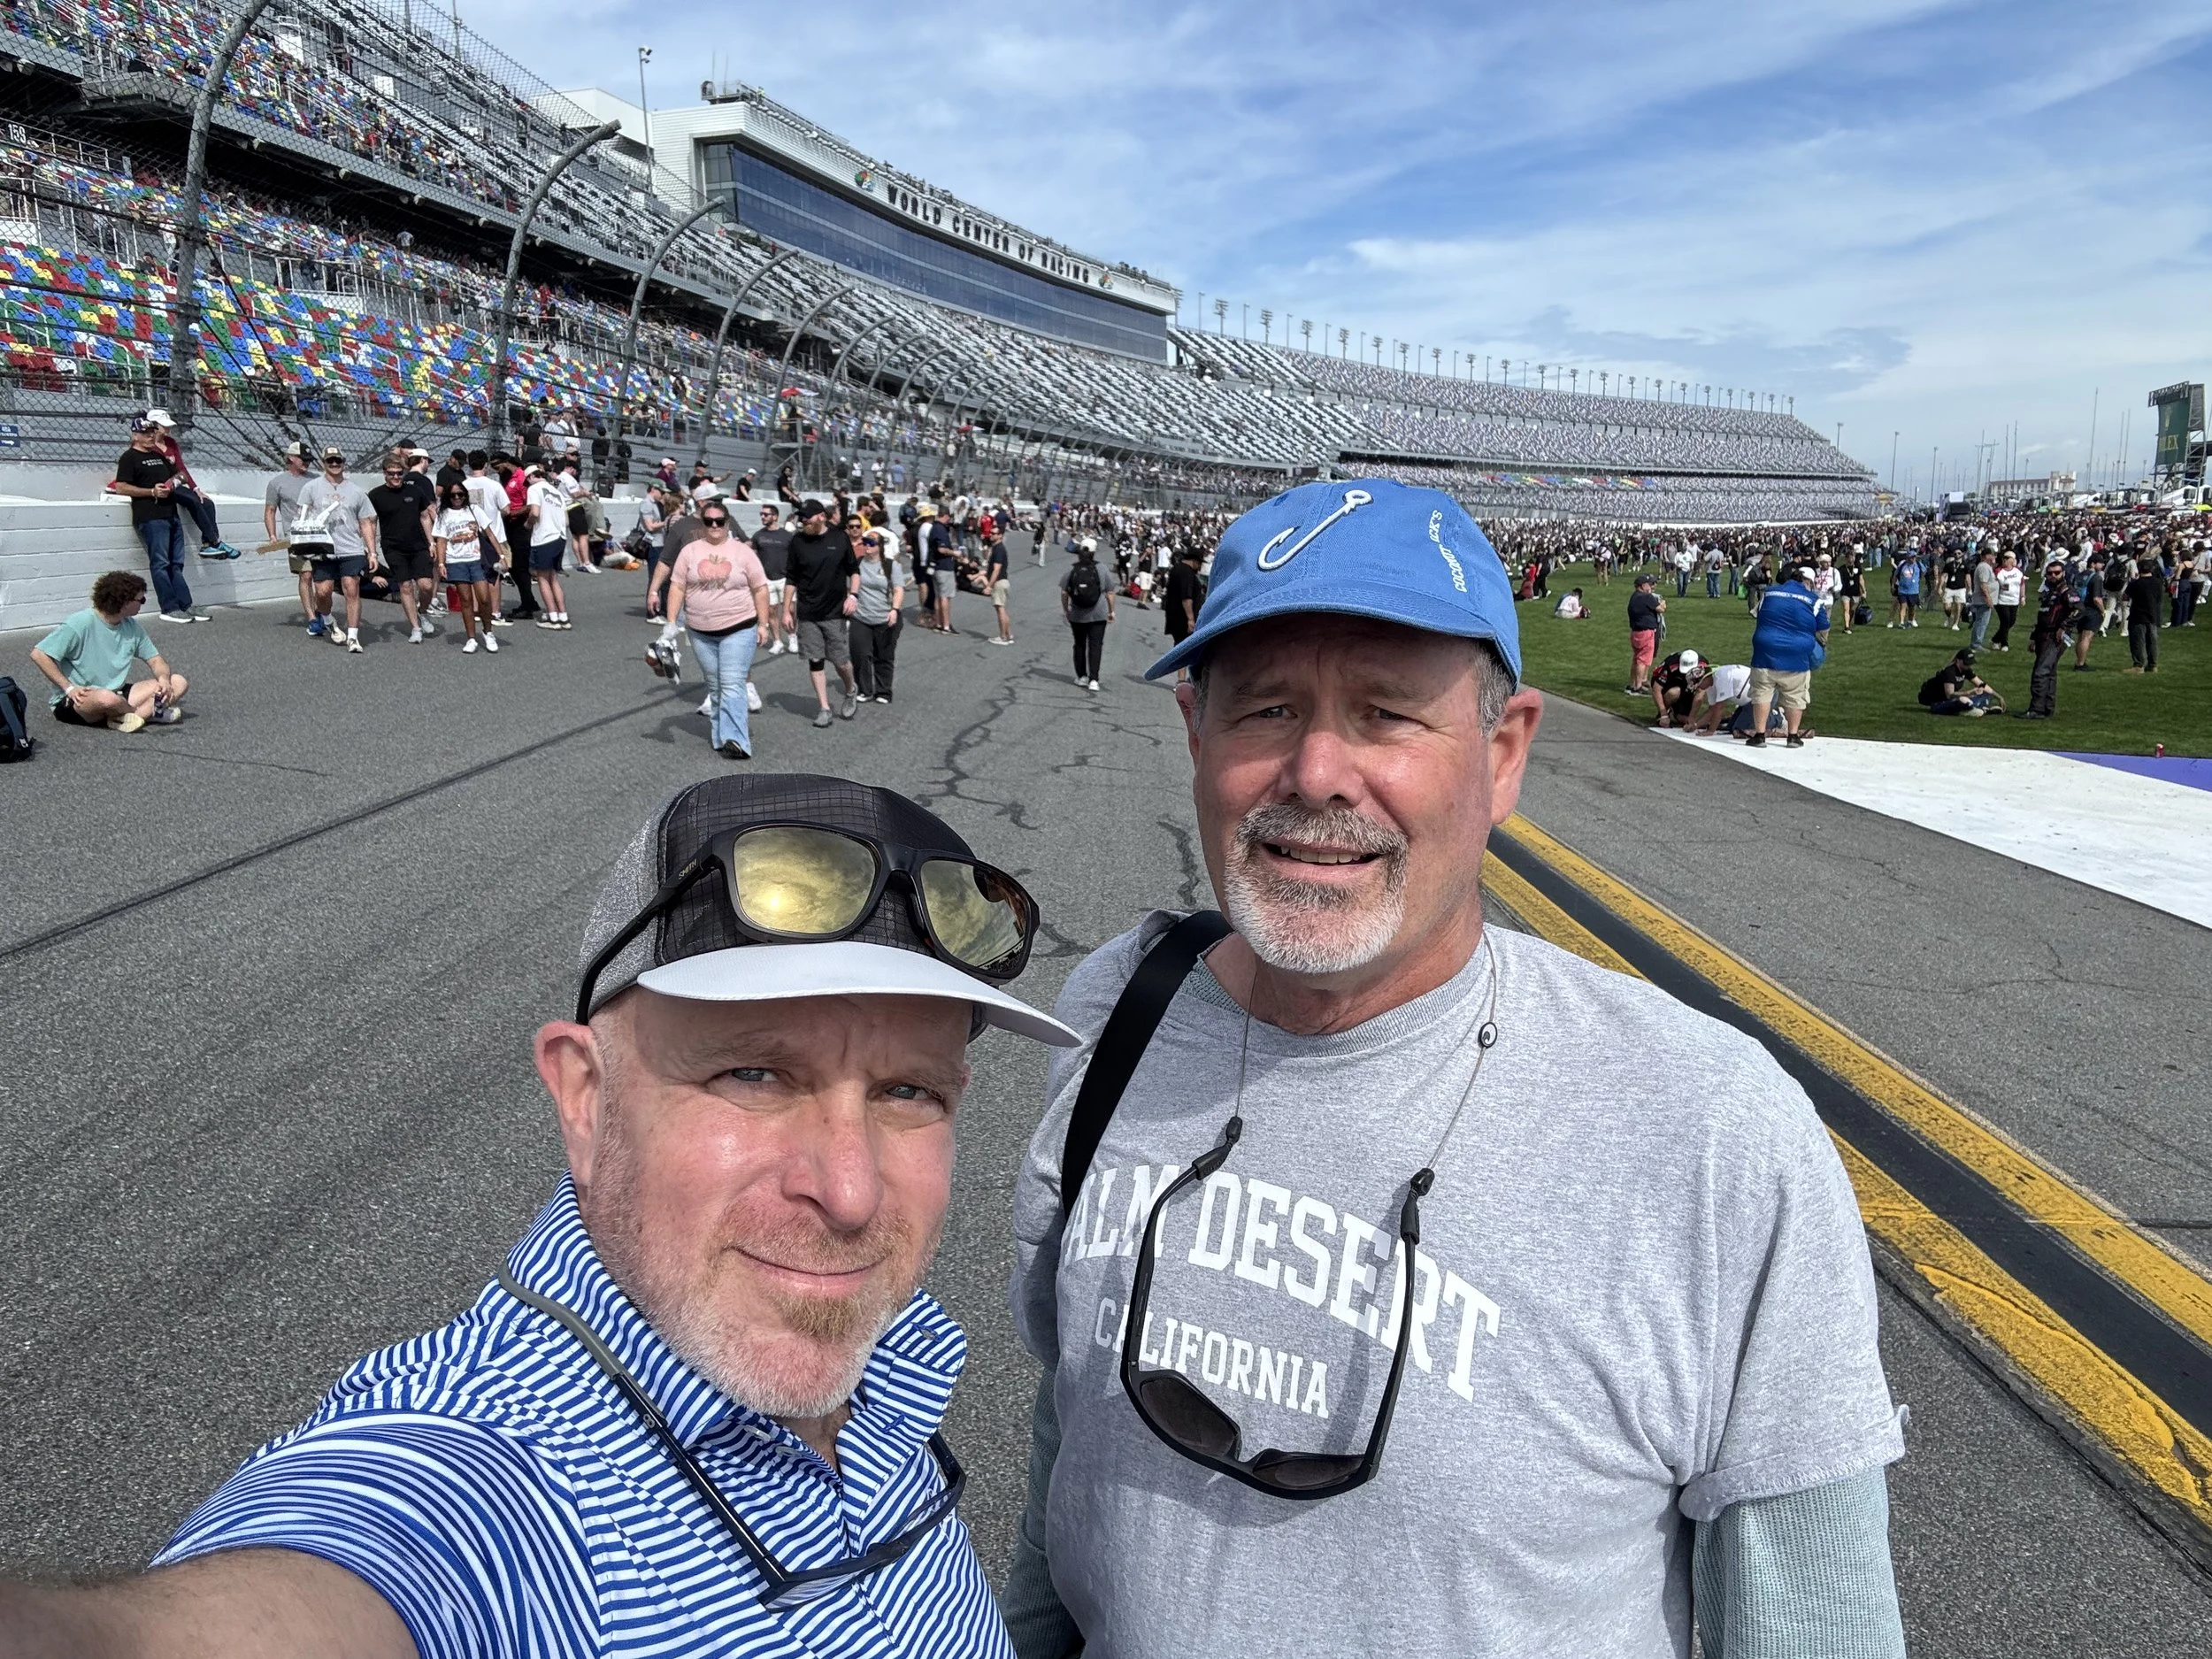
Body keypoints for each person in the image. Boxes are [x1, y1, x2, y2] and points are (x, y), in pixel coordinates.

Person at [1002, 478, 1906, 1659]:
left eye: (1385, 714)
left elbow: (1815, 1629)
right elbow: (1070, 1446)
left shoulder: (1713, 1133)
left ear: (1505, 751)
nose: (1317, 770)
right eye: (1265, 708)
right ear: (1195, 735)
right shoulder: (1120, 1008)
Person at [1, 774, 1079, 1657]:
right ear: (585, 1096)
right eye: (754, 1075)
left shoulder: (889, 1355)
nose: (848, 1194)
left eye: (908, 1094)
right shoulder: (498, 1478)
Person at [664, 504, 771, 760]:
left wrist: (764, 624)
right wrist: (670, 622)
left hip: (739, 626)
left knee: (733, 683)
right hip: (700, 630)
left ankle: (737, 740)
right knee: (715, 686)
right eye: (708, 521)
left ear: (728, 523)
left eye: (719, 521)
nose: (714, 526)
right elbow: (678, 586)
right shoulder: (690, 551)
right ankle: (720, 735)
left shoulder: (742, 552)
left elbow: (760, 588)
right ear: (701, 522)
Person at [28, 571, 188, 732]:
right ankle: (148, 713)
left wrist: (164, 679)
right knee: (107, 698)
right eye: (141, 600)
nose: (143, 603)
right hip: (81, 698)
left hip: (116, 693)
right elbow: (39, 654)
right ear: (124, 603)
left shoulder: (131, 626)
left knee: (178, 682)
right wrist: (69, 688)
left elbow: (155, 660)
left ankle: (131, 717)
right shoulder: (80, 623)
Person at [110, 414, 204, 624]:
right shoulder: (129, 457)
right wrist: (151, 492)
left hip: (170, 514)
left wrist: (171, 484)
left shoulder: (159, 456)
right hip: (150, 516)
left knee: (176, 563)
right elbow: (121, 486)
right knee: (161, 562)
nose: (151, 436)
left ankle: (185, 604)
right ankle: (169, 607)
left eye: (152, 432)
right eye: (145, 433)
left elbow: (181, 475)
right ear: (135, 435)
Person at [782, 499, 862, 728]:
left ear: (821, 517)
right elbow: (792, 577)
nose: (803, 521)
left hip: (834, 611)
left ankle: (850, 689)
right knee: (815, 660)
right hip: (807, 612)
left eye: (807, 517)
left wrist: (853, 595)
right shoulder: (797, 541)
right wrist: (787, 610)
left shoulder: (839, 538)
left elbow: (853, 571)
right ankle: (824, 709)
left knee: (840, 660)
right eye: (801, 517)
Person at [297, 448, 380, 654]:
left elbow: (367, 523)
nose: (334, 464)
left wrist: (372, 552)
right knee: (323, 592)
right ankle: (328, 619)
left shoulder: (356, 491)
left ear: (344, 462)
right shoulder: (311, 487)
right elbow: (302, 518)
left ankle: (353, 637)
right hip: (322, 549)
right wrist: (301, 544)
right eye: (330, 461)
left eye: (338, 460)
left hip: (351, 548)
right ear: (324, 463)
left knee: (351, 588)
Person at [141, 408, 244, 561]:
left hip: (177, 482)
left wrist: (195, 488)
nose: (168, 428)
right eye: (164, 426)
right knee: (193, 501)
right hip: (162, 485)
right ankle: (215, 542)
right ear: (154, 426)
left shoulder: (171, 443)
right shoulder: (149, 446)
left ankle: (208, 543)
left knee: (206, 502)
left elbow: (181, 467)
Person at [1746, 565, 1825, 749]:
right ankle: (1793, 736)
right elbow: (1823, 627)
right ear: (1807, 582)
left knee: (1761, 693)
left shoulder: (1769, 593)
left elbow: (1759, 614)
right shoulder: (1814, 600)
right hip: (1797, 654)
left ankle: (1759, 735)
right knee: (1795, 695)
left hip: (1765, 651)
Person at [369, 454, 441, 644]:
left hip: (419, 546)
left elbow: (425, 517)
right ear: (384, 473)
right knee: (406, 586)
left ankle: (423, 612)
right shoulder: (376, 495)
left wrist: (432, 542)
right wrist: (371, 550)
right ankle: (416, 627)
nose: (396, 477)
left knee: (425, 585)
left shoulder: (414, 491)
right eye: (391, 474)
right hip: (393, 548)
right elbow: (371, 522)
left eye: (399, 473)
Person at [433, 480, 501, 655]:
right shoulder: (444, 515)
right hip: (456, 561)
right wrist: (441, 563)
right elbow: (441, 541)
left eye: (460, 494)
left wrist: (501, 556)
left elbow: (490, 534)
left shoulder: (474, 510)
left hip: (476, 559)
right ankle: (471, 638)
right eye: (453, 495)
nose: (457, 498)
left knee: (484, 598)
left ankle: (488, 632)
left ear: (465, 496)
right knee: (466, 600)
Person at [265, 441, 320, 634]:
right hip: (295, 537)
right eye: (303, 459)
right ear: (291, 458)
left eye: (309, 459)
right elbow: (270, 510)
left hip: (318, 534)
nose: (307, 463)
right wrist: (272, 536)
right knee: (306, 575)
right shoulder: (277, 483)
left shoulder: (317, 480)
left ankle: (321, 610)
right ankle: (312, 617)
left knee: (322, 578)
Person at [852, 522, 908, 703]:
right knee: (860, 653)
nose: (867, 546)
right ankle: (865, 689)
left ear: (880, 547)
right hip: (861, 616)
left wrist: (894, 610)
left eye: (871, 543)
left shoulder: (891, 566)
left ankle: (883, 691)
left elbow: (899, 590)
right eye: (865, 542)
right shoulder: (858, 564)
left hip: (884, 617)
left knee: (883, 656)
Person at [2018, 559, 2073, 720]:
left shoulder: (2067, 591)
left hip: (2055, 636)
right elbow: (2043, 616)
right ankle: (2047, 707)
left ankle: (2037, 709)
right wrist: (2034, 638)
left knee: (2041, 672)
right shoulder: (2049, 591)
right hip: (2043, 635)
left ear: (2063, 573)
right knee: (2049, 672)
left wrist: (2064, 627)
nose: (2053, 576)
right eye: (2050, 573)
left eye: (2057, 573)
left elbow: (2078, 610)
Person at [525, 465, 573, 630]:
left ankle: (552, 616)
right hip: (560, 537)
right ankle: (563, 615)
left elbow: (535, 513)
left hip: (544, 538)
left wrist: (528, 524)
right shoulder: (557, 492)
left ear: (530, 477)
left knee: (542, 578)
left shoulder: (534, 489)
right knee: (553, 577)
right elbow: (566, 521)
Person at [1061, 537, 1113, 692]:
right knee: (1096, 645)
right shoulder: (1102, 569)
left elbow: (1064, 591)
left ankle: (1082, 676)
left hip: (1077, 614)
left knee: (1079, 644)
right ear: (1094, 552)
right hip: (1098, 613)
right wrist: (1112, 611)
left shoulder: (1072, 569)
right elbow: (1110, 592)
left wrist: (1066, 610)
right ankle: (1094, 679)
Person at [750, 503, 793, 655]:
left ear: (775, 516)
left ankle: (792, 637)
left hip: (786, 579)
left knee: (791, 610)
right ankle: (777, 641)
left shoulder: (787, 536)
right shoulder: (758, 536)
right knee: (771, 612)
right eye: (761, 514)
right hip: (766, 580)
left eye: (766, 514)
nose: (763, 517)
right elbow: (752, 556)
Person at [1162, 545, 1205, 680]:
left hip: (1175, 616)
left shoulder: (1177, 569)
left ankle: (1182, 680)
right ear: (1195, 561)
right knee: (1185, 649)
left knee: (1182, 647)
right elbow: (1186, 597)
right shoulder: (1187, 573)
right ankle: (1181, 681)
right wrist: (1191, 619)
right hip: (1183, 618)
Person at [1919, 649, 2002, 717]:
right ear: (1958, 660)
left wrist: (1999, 697)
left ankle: (1974, 709)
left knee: (1986, 694)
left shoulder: (1966, 670)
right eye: (1966, 662)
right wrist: (1969, 693)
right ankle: (1976, 709)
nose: (1969, 665)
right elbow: (1950, 695)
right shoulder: (1949, 672)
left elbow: (1981, 684)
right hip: (1939, 703)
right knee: (1964, 700)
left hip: (1953, 700)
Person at [2124, 553, 2165, 674]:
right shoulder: (2158, 583)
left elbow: (2125, 597)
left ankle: (2138, 665)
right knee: (2152, 641)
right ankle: (2153, 665)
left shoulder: (2135, 584)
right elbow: (2159, 599)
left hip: (2138, 615)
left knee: (2138, 641)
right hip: (2153, 614)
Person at [1624, 572, 1663, 694]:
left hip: (1636, 632)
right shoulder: (1647, 597)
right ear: (1642, 585)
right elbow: (1661, 609)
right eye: (1650, 584)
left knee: (1636, 659)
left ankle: (1633, 684)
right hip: (1646, 632)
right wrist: (1663, 603)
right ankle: (1638, 687)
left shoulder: (1634, 596)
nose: (1652, 586)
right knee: (1643, 660)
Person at [1648, 647, 1707, 727]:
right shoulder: (1670, 664)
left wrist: (1692, 718)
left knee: (1684, 720)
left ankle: (1676, 713)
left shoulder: (1704, 666)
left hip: (1688, 687)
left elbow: (1700, 692)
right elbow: (1656, 689)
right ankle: (1665, 711)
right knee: (1674, 692)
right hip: (1670, 685)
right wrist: (1663, 714)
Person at [986, 526, 1014, 645]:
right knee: (1002, 608)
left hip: (999, 582)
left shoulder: (999, 549)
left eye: (994, 533)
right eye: (991, 533)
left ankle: (1003, 637)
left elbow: (996, 570)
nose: (991, 535)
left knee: (1000, 609)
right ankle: (1008, 634)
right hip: (1003, 581)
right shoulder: (997, 548)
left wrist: (989, 586)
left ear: (1000, 535)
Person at [1990, 551, 2024, 651]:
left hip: (2014, 600)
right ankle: (2004, 643)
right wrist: (2004, 587)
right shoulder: (1999, 571)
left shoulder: (2018, 572)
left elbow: (2022, 584)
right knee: (2005, 621)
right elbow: (1995, 584)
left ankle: (1996, 639)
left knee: (2011, 622)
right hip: (2002, 600)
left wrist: (2022, 597)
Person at [1887, 549, 1922, 627]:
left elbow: (1923, 572)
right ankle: (1901, 622)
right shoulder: (1902, 565)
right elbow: (1895, 575)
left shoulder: (1918, 565)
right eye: (1912, 557)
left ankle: (1911, 620)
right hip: (1902, 589)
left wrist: (1917, 581)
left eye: (1914, 557)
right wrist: (1893, 585)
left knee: (1912, 607)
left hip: (1913, 590)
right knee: (1903, 606)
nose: (1913, 559)